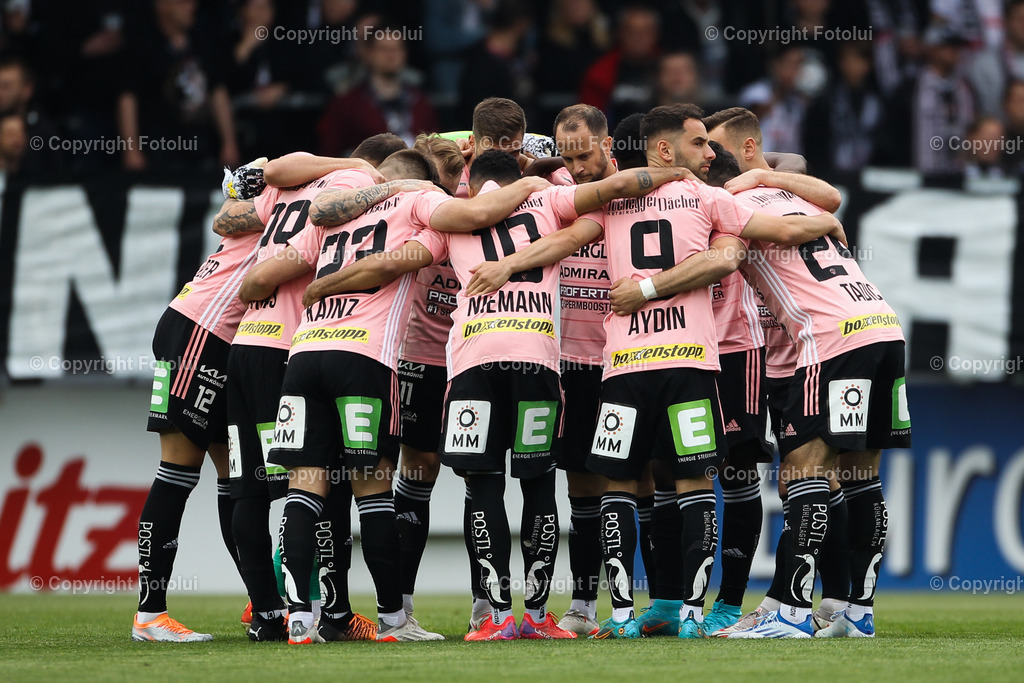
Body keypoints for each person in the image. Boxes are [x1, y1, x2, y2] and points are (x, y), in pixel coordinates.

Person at [461, 104, 842, 639]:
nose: (711, 153)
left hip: (628, 363)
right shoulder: (706, 198)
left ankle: (629, 614)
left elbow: (564, 240)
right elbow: (779, 228)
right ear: (664, 150)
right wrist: (829, 219)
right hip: (687, 360)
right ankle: (684, 610)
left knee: (625, 482)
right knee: (688, 479)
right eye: (700, 143)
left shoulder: (615, 201)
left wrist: (508, 263)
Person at [301, 149, 694, 641]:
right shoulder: (549, 199)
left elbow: (387, 264)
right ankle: (536, 616)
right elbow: (613, 190)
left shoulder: (453, 217)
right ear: (515, 178)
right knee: (538, 485)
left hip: (473, 367)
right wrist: (672, 172)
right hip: (535, 361)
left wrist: (325, 284)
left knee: (482, 487)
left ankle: (494, 616)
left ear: (472, 180)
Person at [241, 149, 550, 644]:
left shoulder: (333, 211)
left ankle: (299, 620)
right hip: (363, 358)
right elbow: (465, 221)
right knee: (372, 490)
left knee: (304, 487)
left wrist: (323, 284)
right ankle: (392, 619)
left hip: (303, 355)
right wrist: (530, 183)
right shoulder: (420, 201)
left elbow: (255, 281)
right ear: (419, 183)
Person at [131, 160, 267, 643]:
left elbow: (232, 196)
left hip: (223, 341)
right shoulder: (301, 201)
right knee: (177, 470)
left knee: (234, 472)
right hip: (199, 332)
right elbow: (228, 208)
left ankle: (263, 602)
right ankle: (150, 614)